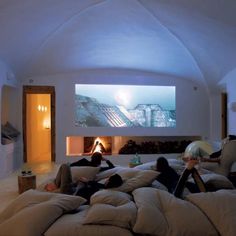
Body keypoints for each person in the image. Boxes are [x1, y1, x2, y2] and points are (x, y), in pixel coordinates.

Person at [45, 163, 123, 203]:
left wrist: (86, 182)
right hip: (73, 188)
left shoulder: (101, 190)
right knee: (64, 167)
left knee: (65, 166)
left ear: (109, 181)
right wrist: (82, 182)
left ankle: (56, 186)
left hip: (70, 193)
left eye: (108, 178)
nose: (106, 179)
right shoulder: (101, 186)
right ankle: (56, 186)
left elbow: (84, 193)